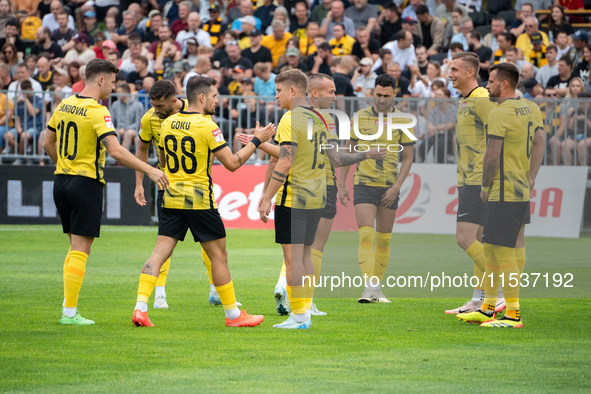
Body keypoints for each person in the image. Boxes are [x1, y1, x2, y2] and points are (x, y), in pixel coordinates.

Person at [131, 76, 273, 328]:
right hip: (198, 198)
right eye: (215, 96)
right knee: (218, 255)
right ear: (202, 97)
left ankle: (140, 308)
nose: (218, 100)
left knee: (159, 253)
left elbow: (162, 160)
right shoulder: (208, 126)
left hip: (171, 196)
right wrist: (256, 140)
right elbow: (232, 163)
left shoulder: (169, 122)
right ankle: (233, 316)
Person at [41, 59, 168, 325]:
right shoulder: (98, 112)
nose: (112, 87)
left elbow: (46, 142)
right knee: (81, 249)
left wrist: (64, 165)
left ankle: (68, 307)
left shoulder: (64, 104)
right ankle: (69, 313)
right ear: (100, 80)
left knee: (74, 247)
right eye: (111, 82)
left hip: (61, 181)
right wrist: (151, 170)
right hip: (85, 182)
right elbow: (115, 150)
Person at [259, 70, 385, 327]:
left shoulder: (290, 118)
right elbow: (336, 159)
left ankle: (299, 317)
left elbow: (284, 161)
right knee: (306, 255)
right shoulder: (323, 119)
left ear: (293, 91)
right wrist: (366, 154)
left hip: (294, 196)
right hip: (317, 196)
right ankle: (305, 310)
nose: (276, 96)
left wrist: (266, 197)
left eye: (279, 91)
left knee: (293, 257)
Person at [457, 62, 545, 328]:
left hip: (501, 190)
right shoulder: (531, 107)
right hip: (519, 188)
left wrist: (484, 187)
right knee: (493, 250)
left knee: (503, 252)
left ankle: (513, 314)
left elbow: (492, 155)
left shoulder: (499, 112)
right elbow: (540, 141)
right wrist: (531, 177)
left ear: (504, 84)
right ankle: (487, 309)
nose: (487, 86)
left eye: (491, 82)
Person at [134, 79, 228, 309]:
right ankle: (160, 293)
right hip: (169, 184)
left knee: (199, 245)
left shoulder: (197, 111)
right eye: (153, 105)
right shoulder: (150, 119)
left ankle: (214, 289)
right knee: (170, 245)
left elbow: (210, 149)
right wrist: (139, 183)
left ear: (175, 101)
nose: (155, 110)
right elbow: (143, 149)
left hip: (186, 184)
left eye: (159, 106)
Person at [336, 73, 415, 303]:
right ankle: (369, 288)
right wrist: (341, 184)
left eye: (386, 96)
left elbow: (408, 158)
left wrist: (396, 187)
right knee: (365, 235)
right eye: (378, 95)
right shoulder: (359, 117)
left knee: (383, 240)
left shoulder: (403, 120)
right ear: (373, 92)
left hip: (390, 185)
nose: (381, 99)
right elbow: (348, 153)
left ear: (394, 94)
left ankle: (376, 289)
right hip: (364, 183)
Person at [444, 52, 499, 314]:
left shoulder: (480, 99)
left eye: (455, 69)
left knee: (464, 238)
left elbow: (499, 134)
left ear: (470, 72)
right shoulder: (466, 100)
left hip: (478, 179)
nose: (450, 73)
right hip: (468, 178)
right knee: (478, 238)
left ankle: (498, 292)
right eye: (449, 68)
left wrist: (488, 178)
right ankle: (479, 299)